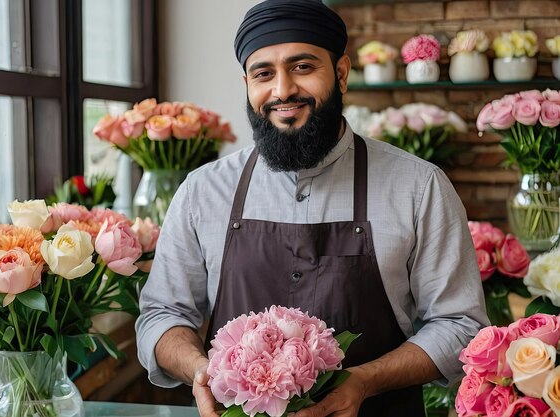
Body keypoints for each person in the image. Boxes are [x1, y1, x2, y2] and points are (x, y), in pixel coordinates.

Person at [136, 1, 489, 416]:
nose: (282, 89)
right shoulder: (202, 191)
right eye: (263, 73)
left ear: (341, 73)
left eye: (302, 67)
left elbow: (461, 325)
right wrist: (203, 371)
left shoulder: (419, 186)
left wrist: (364, 380)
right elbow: (162, 314)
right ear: (247, 83)